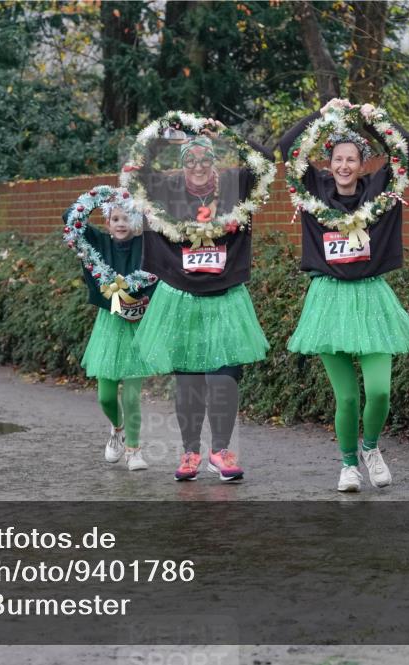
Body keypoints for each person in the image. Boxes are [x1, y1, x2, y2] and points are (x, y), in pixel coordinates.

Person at [277, 99, 409, 492]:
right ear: (329, 163)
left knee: (378, 391)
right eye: (338, 159)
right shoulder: (314, 190)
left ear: (363, 165)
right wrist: (323, 115)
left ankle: (371, 448)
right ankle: (347, 465)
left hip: (372, 297)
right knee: (346, 398)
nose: (344, 166)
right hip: (328, 301)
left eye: (352, 160)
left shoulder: (380, 190)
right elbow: (287, 146)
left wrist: (372, 118)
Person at [133, 120, 273, 482]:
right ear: (181, 164)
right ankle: (190, 452)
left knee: (224, 377)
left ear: (214, 160)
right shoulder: (168, 190)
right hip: (181, 298)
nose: (197, 165)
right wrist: (163, 129)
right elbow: (136, 170)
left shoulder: (234, 187)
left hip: (225, 298)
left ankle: (221, 451)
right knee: (190, 382)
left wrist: (226, 134)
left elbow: (266, 159)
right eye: (189, 159)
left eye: (204, 158)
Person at [66, 193, 156, 470]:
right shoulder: (100, 243)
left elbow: (164, 228)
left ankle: (134, 450)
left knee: (131, 395)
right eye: (115, 218)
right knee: (105, 396)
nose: (121, 223)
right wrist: (102, 195)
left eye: (127, 217)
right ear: (107, 222)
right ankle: (117, 430)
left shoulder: (146, 244)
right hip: (110, 324)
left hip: (138, 325)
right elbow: (71, 218)